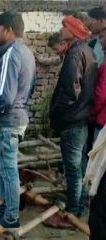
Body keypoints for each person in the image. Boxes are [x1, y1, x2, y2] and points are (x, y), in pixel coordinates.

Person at [0, 11, 35, 228]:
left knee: (7, 169)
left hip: (7, 120)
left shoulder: (9, 54)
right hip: (15, 117)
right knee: (0, 166)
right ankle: (6, 209)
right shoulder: (26, 52)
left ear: (9, 30)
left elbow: (5, 97)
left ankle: (11, 217)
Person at [49, 15, 96, 220]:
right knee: (80, 167)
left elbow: (70, 91)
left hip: (72, 119)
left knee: (73, 170)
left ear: (73, 30)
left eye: (64, 26)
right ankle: (82, 202)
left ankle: (73, 211)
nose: (62, 30)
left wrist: (57, 114)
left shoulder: (75, 53)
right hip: (81, 117)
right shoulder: (87, 51)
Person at [91, 27, 106, 140]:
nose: (100, 41)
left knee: (97, 156)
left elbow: (101, 94)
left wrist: (92, 112)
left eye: (102, 37)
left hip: (103, 119)